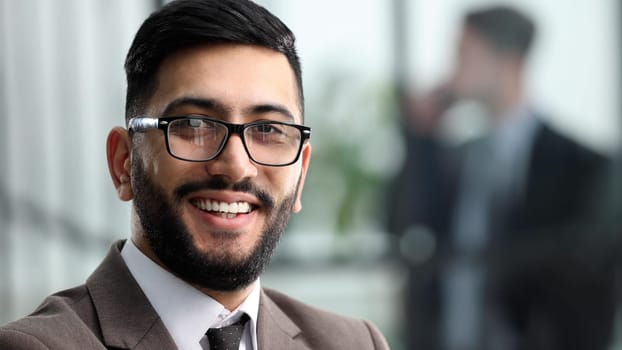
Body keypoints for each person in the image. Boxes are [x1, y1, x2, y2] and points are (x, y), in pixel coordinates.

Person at [0, 1, 390, 349]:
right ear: (124, 163)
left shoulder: (355, 342)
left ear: (300, 173)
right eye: (194, 125)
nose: (236, 165)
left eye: (268, 130)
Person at [388, 5, 616, 350]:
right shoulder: (455, 159)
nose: (452, 70)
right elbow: (398, 222)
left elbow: (587, 282)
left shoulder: (583, 167)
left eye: (463, 54)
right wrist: (421, 137)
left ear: (506, 62)